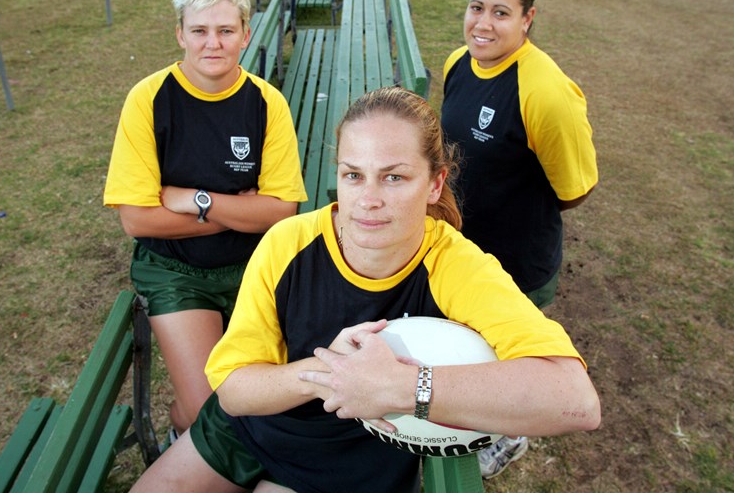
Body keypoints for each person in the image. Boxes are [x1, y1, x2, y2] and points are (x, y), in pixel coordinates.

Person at [130, 87, 600, 493]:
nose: (368, 199)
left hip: (344, 461)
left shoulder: (456, 266)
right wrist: (332, 371)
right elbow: (233, 392)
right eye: (353, 175)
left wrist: (405, 387)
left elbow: (576, 401)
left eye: (394, 177)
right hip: (248, 426)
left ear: (435, 183)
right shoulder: (288, 243)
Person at [103, 0, 307, 441]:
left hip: (252, 267)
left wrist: (191, 201)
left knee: (267, 401)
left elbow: (281, 212)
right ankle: (181, 432)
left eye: (224, 30)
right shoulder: (148, 99)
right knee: (207, 411)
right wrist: (237, 213)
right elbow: (136, 220)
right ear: (180, 34)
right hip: (175, 270)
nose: (212, 43)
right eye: (199, 30)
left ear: (245, 35)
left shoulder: (266, 103)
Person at [440, 0, 599, 478]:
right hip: (465, 247)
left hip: (518, 259)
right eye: (476, 7)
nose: (483, 23)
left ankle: (511, 435)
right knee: (469, 342)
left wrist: (515, 203)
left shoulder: (546, 92)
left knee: (512, 353)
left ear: (528, 18)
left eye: (501, 12)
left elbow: (575, 190)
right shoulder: (457, 65)